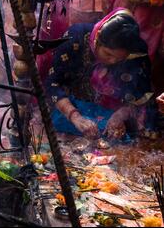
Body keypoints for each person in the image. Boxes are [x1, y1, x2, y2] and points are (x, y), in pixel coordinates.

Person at [45, 8, 158, 140]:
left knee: (126, 138)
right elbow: (53, 84)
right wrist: (75, 117)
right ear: (97, 37)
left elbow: (142, 98)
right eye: (108, 54)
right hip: (73, 108)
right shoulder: (75, 38)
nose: (112, 61)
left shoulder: (135, 56)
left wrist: (120, 115)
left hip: (110, 114)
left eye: (120, 58)